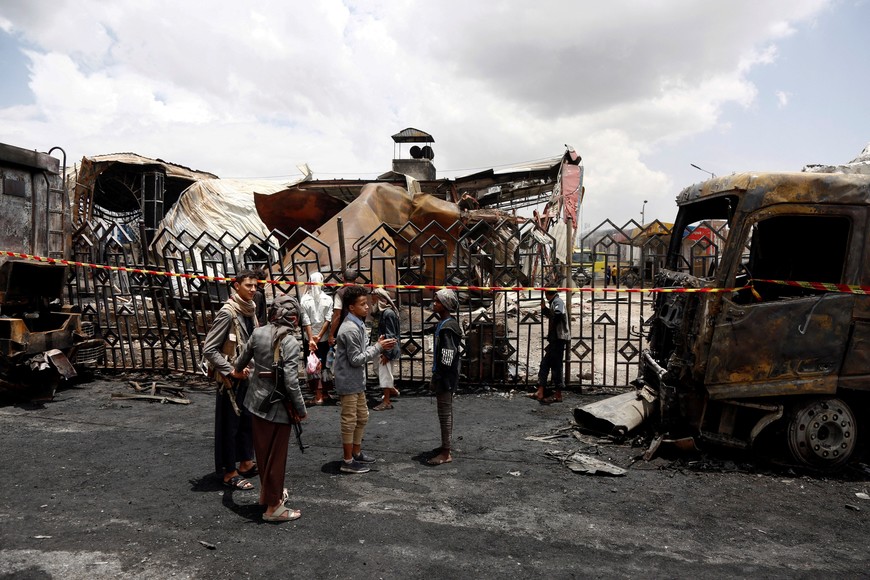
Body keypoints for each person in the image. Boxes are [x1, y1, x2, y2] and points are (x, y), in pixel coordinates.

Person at [233, 294, 307, 522]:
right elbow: (292, 383)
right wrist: (301, 409)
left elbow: (239, 363)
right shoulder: (290, 343)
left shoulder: (258, 333)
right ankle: (273, 507)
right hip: (279, 408)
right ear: (293, 318)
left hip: (255, 403)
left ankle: (269, 495)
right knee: (276, 457)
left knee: (264, 454)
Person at [202, 270, 259, 489]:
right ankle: (229, 472)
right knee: (229, 425)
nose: (253, 289)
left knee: (247, 421)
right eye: (248, 286)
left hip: (248, 377)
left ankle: (245, 462)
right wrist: (231, 370)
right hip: (231, 381)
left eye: (255, 285)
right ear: (236, 286)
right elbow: (209, 348)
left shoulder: (250, 309)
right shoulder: (228, 312)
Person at [333, 284, 397, 474]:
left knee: (362, 417)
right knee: (350, 420)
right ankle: (347, 460)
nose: (367, 307)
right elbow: (355, 359)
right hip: (349, 382)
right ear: (351, 308)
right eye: (362, 304)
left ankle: (356, 453)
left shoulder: (358, 324)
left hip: (357, 382)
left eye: (366, 303)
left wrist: (378, 346)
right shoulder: (350, 329)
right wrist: (378, 347)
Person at [427, 289, 462, 466]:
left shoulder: (448, 327)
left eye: (437, 301)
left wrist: (439, 375)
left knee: (445, 413)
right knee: (444, 412)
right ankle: (444, 446)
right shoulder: (445, 323)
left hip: (446, 377)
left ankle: (446, 452)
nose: (434, 304)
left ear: (445, 305)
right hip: (445, 375)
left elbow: (448, 354)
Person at [300, 271, 334, 405]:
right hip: (324, 338)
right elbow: (328, 320)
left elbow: (305, 321)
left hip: (310, 340)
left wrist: (311, 339)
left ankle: (318, 395)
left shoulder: (304, 300)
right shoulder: (328, 299)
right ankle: (325, 393)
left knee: (314, 365)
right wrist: (319, 336)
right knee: (325, 364)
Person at [531, 289, 570, 404]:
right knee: (545, 364)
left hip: (558, 339)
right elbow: (553, 315)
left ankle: (558, 395)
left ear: (548, 294)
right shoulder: (554, 302)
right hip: (555, 339)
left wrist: (553, 327)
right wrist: (544, 309)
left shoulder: (558, 302)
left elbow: (558, 314)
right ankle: (540, 391)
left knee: (556, 366)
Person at [370, 288, 401, 411]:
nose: (371, 301)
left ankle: (386, 401)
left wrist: (386, 353)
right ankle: (392, 390)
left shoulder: (388, 313)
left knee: (385, 374)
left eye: (373, 298)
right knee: (377, 369)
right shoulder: (380, 313)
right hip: (381, 347)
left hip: (386, 349)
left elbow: (391, 335)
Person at [327, 268, 360, 347]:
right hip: (358, 327)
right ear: (356, 279)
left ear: (343, 278)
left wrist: (331, 334)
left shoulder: (340, 293)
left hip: (344, 329)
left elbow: (337, 315)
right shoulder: (360, 291)